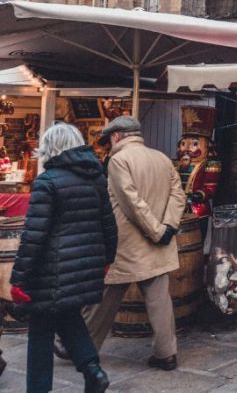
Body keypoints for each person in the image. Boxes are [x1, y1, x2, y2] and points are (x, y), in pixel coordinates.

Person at [10, 122, 117, 393]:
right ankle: (93, 371)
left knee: (41, 331)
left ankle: (38, 388)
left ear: (51, 148)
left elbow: (34, 236)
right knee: (69, 316)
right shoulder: (96, 178)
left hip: (50, 271)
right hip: (84, 267)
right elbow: (109, 225)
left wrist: (19, 279)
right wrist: (106, 260)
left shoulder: (47, 182)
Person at [74, 116, 186, 370]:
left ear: (116, 136)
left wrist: (157, 231)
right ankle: (166, 354)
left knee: (103, 297)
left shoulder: (118, 161)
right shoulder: (162, 158)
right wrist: (167, 227)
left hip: (126, 244)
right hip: (159, 242)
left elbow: (130, 202)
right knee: (160, 301)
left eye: (108, 140)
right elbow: (178, 194)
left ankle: (81, 347)